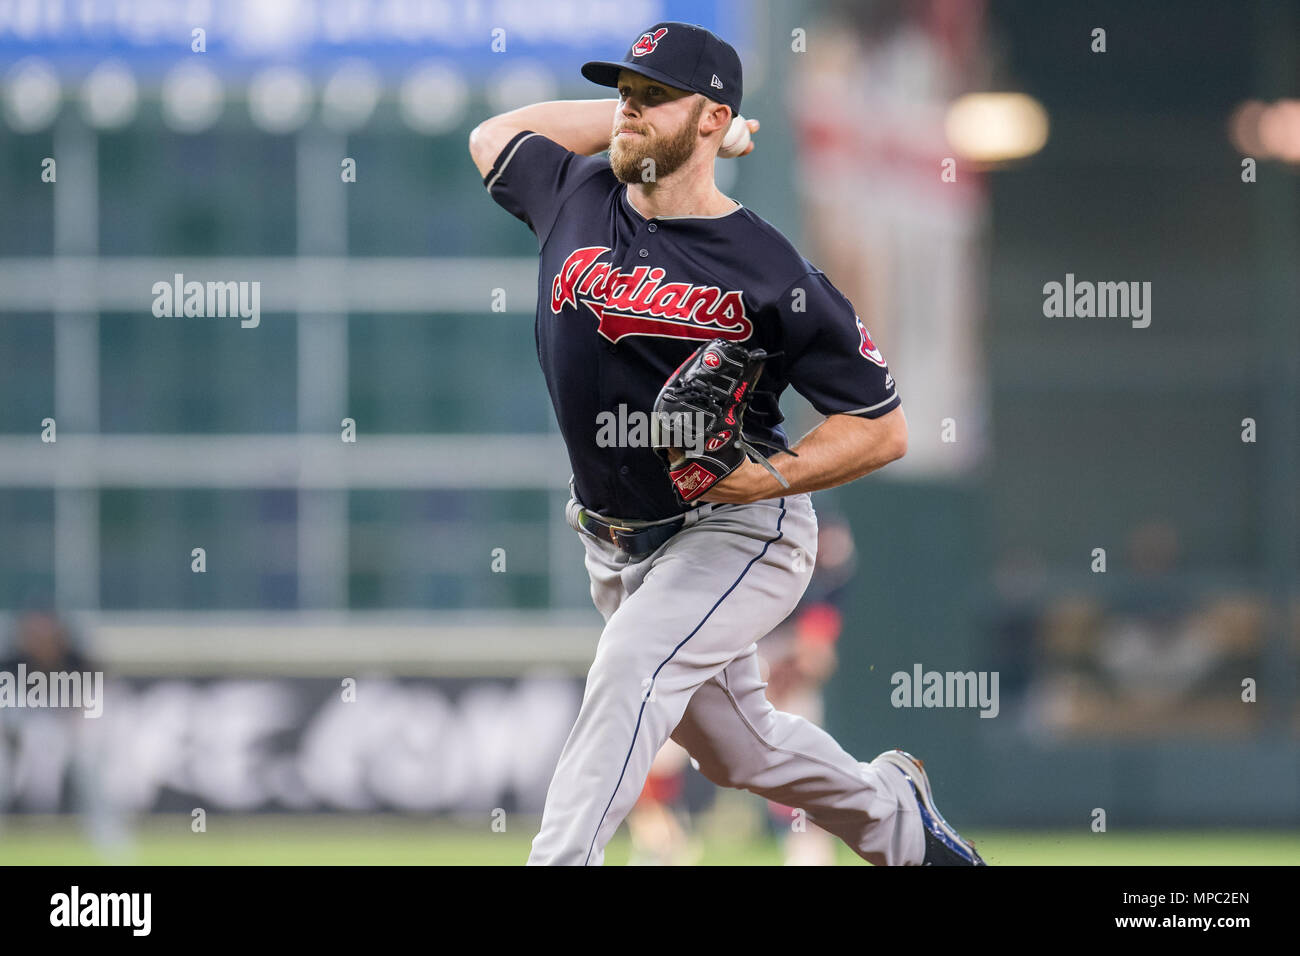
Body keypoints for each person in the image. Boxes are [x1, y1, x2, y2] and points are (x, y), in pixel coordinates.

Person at [468, 20, 984, 866]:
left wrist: (770, 477)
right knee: (746, 751)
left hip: (735, 528)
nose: (626, 111)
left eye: (652, 98)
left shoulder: (769, 267)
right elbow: (494, 136)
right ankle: (899, 820)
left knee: (628, 668)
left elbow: (882, 427)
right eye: (623, 94)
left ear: (711, 118)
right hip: (617, 539)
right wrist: (637, 124)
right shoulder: (576, 192)